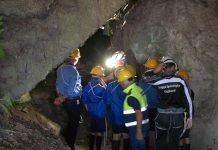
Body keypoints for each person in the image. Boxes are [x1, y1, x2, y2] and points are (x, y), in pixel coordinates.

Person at [152, 56, 193, 150]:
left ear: (163, 68)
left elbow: (145, 78)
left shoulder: (157, 81)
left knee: (159, 141)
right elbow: (188, 99)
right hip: (177, 116)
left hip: (162, 115)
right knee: (174, 142)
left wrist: (155, 71)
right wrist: (190, 117)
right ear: (174, 68)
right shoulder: (180, 80)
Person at [55, 48, 82, 150]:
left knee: (71, 119)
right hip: (73, 100)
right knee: (74, 122)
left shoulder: (60, 68)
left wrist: (60, 96)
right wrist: (62, 98)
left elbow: (57, 85)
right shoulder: (73, 71)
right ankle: (70, 144)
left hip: (66, 101)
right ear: (75, 59)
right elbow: (71, 90)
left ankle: (67, 139)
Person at [116, 67, 149, 150]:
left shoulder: (131, 96)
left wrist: (138, 131)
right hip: (143, 125)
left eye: (120, 83)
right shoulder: (138, 89)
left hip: (136, 128)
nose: (120, 85)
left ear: (124, 82)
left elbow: (139, 113)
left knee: (137, 147)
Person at [105, 65, 136, 150]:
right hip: (128, 115)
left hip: (115, 115)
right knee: (126, 134)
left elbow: (107, 101)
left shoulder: (111, 86)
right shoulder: (132, 86)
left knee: (116, 134)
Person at [82, 66, 107, 150]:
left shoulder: (87, 86)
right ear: (100, 76)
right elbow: (108, 96)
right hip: (100, 113)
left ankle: (91, 148)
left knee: (92, 131)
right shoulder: (102, 88)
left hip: (92, 112)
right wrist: (103, 83)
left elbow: (85, 101)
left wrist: (89, 111)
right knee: (99, 132)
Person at [138, 57, 159, 150]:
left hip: (144, 109)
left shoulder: (141, 81)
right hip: (155, 110)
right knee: (152, 131)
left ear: (146, 68)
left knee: (142, 131)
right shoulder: (159, 81)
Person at [176, 68, 195, 150]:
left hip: (183, 113)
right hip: (189, 112)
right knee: (186, 135)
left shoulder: (180, 89)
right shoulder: (189, 88)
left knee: (180, 135)